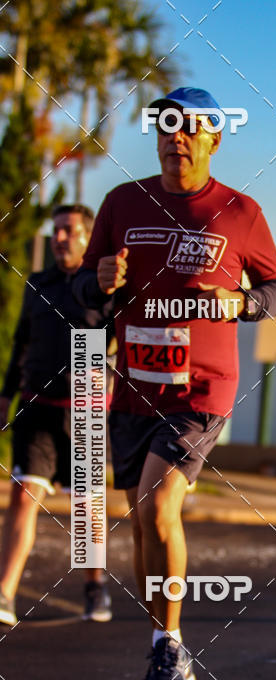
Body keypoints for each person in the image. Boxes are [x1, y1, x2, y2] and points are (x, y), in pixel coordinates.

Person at [73, 87, 276, 680]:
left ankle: (170, 646)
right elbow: (88, 290)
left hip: (202, 386)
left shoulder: (239, 212)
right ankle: (162, 646)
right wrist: (100, 279)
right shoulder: (121, 202)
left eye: (193, 128)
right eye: (168, 125)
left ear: (216, 139)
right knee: (142, 524)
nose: (178, 136)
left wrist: (239, 302)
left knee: (159, 506)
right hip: (134, 385)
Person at [0, 204, 112, 627]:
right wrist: (5, 395)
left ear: (87, 238)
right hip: (36, 406)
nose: (59, 238)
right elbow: (21, 342)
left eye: (69, 231)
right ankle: (6, 593)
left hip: (85, 413)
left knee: (85, 509)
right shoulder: (38, 283)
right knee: (23, 496)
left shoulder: (104, 289)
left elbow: (118, 343)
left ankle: (95, 586)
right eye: (56, 231)